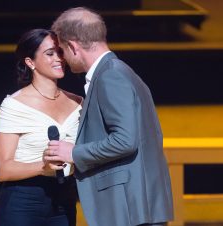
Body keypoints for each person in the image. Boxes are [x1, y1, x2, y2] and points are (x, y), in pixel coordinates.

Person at [44, 7, 174, 226]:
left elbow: (125, 140)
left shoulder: (110, 76)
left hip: (129, 207)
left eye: (62, 50)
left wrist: (74, 152)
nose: (62, 59)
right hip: (134, 204)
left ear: (74, 47)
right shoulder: (118, 71)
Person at [0, 29, 82, 226]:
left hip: (64, 201)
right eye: (50, 53)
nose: (59, 58)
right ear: (30, 62)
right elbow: (2, 169)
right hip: (22, 203)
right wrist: (42, 168)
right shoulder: (15, 105)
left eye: (60, 52)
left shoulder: (78, 103)